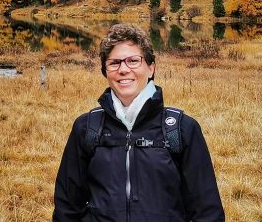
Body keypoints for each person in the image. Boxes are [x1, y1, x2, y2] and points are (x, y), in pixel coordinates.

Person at [53, 23, 224, 221]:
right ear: (105, 71)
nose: (123, 69)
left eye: (133, 61)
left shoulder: (182, 129)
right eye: (114, 63)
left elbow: (207, 212)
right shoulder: (87, 128)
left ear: (151, 68)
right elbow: (67, 208)